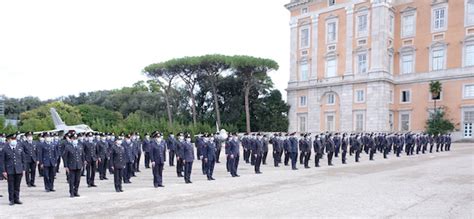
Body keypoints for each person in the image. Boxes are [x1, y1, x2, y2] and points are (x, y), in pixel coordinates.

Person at [2, 133, 25, 205]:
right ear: (8, 140)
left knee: (17, 185)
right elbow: (2, 161)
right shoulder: (5, 149)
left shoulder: (19, 147)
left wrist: (23, 169)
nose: (13, 141)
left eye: (14, 139)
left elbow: (23, 159)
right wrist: (3, 171)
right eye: (12, 139)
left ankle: (17, 199)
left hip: (18, 169)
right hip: (10, 170)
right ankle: (11, 199)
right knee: (11, 185)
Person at [63, 133, 85, 198]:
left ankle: (76, 191)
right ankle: (71, 192)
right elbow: (65, 157)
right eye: (73, 138)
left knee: (77, 180)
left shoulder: (80, 146)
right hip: (71, 166)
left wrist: (83, 164)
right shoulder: (68, 147)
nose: (75, 140)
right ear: (71, 139)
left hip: (78, 165)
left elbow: (82, 156)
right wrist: (66, 166)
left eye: (76, 138)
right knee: (72, 180)